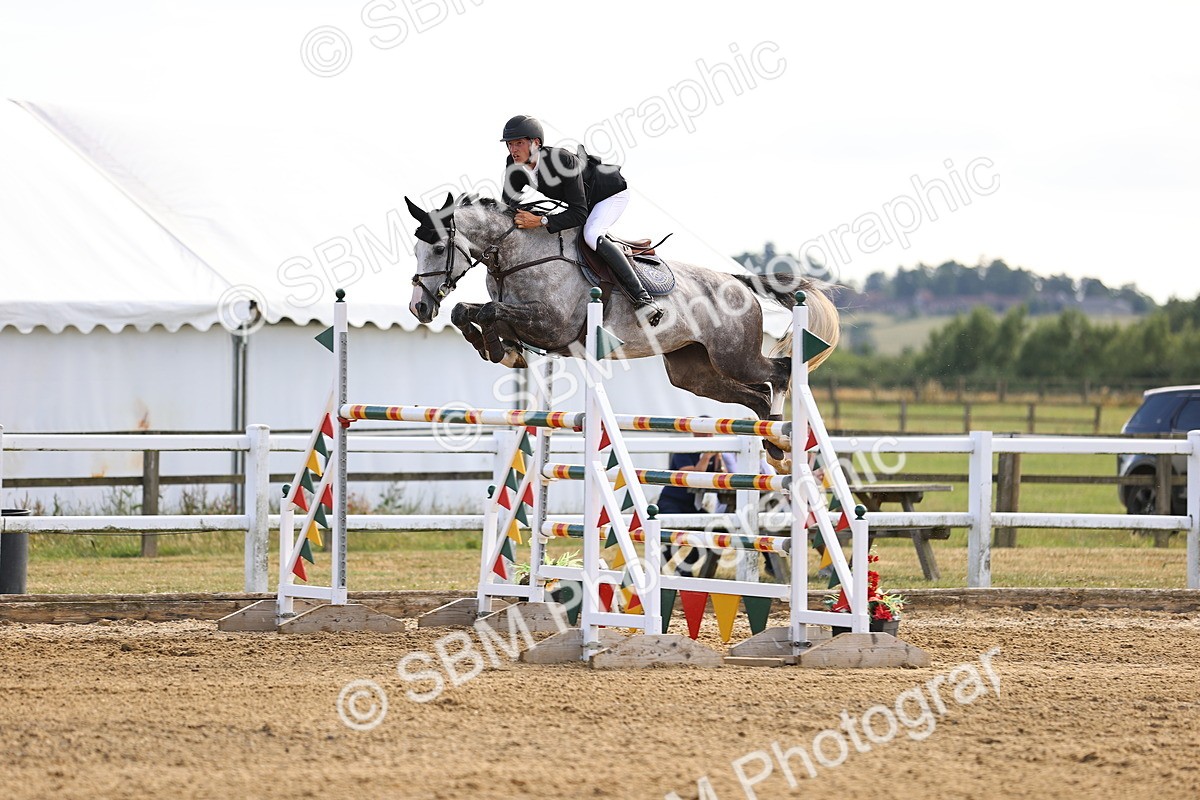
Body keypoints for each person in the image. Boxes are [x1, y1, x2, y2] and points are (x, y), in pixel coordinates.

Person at [499, 114, 663, 325]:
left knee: (591, 234)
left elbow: (579, 214)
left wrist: (541, 221)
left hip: (609, 195)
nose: (513, 150)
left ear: (536, 143)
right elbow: (506, 209)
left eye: (519, 143)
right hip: (583, 201)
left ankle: (643, 298)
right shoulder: (513, 165)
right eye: (510, 144)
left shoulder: (562, 161)